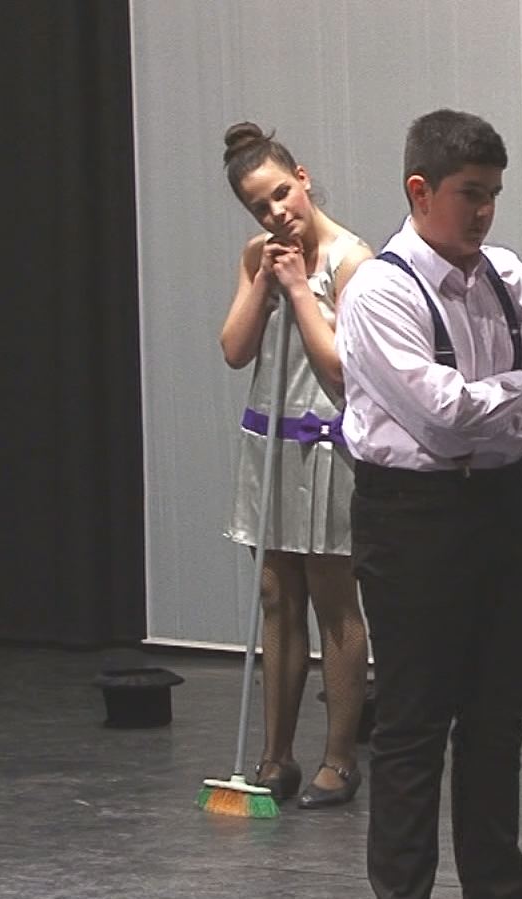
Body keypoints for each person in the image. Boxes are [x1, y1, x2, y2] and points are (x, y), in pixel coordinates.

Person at [335, 108, 522, 899]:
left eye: (493, 196)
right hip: (411, 518)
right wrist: (509, 399)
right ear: (421, 191)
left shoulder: (509, 279)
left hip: (498, 507)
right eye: (469, 195)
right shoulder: (380, 291)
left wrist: (491, 404)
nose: (484, 213)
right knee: (412, 728)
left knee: (496, 723)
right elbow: (440, 417)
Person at [216, 122, 373, 809]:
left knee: (334, 597)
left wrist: (301, 290)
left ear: (302, 179)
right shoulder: (260, 255)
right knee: (277, 596)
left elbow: (341, 371)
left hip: (329, 445)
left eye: (282, 194)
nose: (276, 213)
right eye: (260, 207)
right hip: (272, 446)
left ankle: (339, 758)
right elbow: (235, 350)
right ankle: (275, 755)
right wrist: (265, 280)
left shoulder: (352, 262)